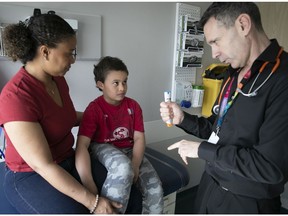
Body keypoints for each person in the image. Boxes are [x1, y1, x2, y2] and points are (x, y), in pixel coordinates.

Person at [0, 12, 142, 214]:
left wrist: (104, 118)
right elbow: (44, 165)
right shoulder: (15, 97)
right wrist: (92, 201)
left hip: (67, 159)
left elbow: (62, 117)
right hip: (30, 174)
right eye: (69, 53)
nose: (73, 60)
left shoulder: (57, 80)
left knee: (133, 196)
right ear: (45, 52)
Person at [160, 2, 288, 214]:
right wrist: (183, 119)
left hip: (246, 202)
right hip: (210, 186)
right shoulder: (232, 74)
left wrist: (201, 150)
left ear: (243, 25)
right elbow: (218, 129)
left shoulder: (281, 79)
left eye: (216, 41)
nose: (214, 53)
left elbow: (271, 168)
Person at [75, 56, 164, 214]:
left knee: (155, 189)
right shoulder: (94, 109)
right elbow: (82, 145)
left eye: (125, 81)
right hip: (102, 146)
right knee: (123, 167)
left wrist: (136, 165)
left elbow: (138, 138)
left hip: (128, 148)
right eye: (115, 83)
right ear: (101, 85)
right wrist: (88, 183)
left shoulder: (133, 106)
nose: (122, 88)